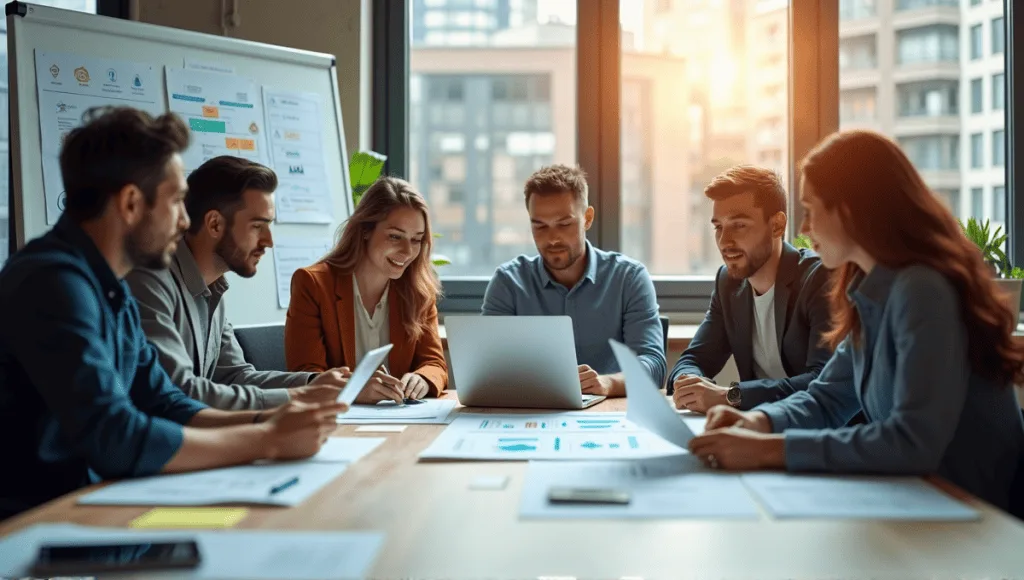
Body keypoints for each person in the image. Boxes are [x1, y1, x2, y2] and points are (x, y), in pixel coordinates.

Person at [0, 107, 346, 520]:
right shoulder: (53, 283)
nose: (185, 220)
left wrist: (273, 419)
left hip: (90, 507)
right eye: (178, 201)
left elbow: (165, 401)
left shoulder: (108, 285)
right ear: (131, 203)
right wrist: (266, 440)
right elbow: (114, 434)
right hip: (33, 525)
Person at [688, 129, 1024, 511]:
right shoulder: (868, 289)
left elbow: (912, 442)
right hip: (921, 500)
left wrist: (769, 451)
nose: (803, 229)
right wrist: (759, 422)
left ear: (851, 209)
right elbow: (827, 398)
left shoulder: (922, 289)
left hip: (976, 513)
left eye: (812, 210)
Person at [126, 156, 350, 410]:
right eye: (258, 226)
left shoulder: (214, 288)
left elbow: (235, 377)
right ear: (215, 224)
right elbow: (179, 391)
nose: (268, 241)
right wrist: (297, 398)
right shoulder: (150, 282)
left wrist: (316, 384)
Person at [482, 164, 666, 397]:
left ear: (587, 218)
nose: (552, 238)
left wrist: (608, 383)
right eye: (540, 226)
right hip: (532, 412)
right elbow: (487, 367)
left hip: (610, 413)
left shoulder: (628, 278)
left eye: (564, 224)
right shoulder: (508, 283)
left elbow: (653, 365)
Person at [670, 166, 832, 413]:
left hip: (814, 433)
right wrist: (689, 383)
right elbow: (694, 359)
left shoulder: (818, 279)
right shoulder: (728, 283)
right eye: (718, 227)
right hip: (756, 427)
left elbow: (823, 383)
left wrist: (731, 396)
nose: (724, 242)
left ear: (777, 225)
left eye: (739, 225)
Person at [285, 176, 447, 403]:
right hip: (334, 423)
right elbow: (306, 376)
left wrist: (423, 379)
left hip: (401, 422)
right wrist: (353, 391)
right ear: (365, 230)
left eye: (416, 240)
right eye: (395, 236)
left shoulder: (418, 292)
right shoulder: (313, 284)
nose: (407, 251)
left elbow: (434, 364)